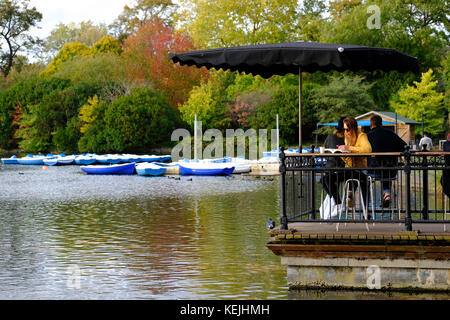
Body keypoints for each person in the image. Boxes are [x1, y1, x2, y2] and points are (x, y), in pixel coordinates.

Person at [322, 117, 371, 210]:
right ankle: (339, 204)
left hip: (359, 169)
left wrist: (349, 148)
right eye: (344, 129)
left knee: (359, 180)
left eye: (347, 129)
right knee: (327, 178)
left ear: (354, 128)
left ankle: (351, 195)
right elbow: (346, 156)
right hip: (348, 168)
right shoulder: (346, 136)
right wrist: (340, 152)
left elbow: (367, 150)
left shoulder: (362, 136)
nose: (346, 132)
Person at [367, 115, 407, 207]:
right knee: (386, 171)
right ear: (381, 124)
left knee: (364, 176)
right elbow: (404, 147)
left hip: (373, 170)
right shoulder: (391, 134)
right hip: (391, 170)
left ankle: (366, 206)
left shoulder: (368, 136)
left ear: (371, 125)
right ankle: (387, 193)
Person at [320, 117, 346, 206]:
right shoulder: (347, 139)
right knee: (326, 179)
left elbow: (325, 151)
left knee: (324, 179)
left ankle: (336, 200)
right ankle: (336, 200)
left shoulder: (330, 137)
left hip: (331, 167)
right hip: (341, 168)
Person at [441, 133, 450, 198]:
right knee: (444, 181)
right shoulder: (446, 143)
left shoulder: (446, 143)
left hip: (448, 166)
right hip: (447, 166)